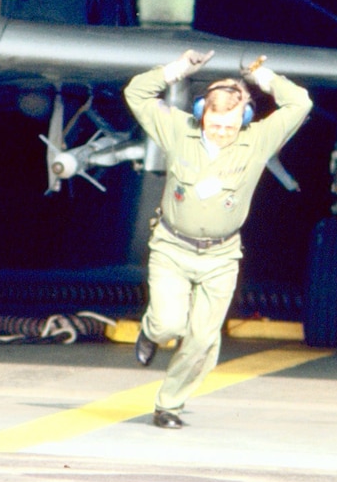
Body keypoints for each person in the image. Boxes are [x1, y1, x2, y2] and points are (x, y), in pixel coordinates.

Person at [124, 49, 312, 428]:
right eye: (215, 124)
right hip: (172, 248)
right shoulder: (180, 130)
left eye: (230, 126)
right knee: (168, 325)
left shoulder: (257, 140)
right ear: (201, 114)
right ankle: (150, 331)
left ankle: (169, 405)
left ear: (243, 120)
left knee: (202, 338)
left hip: (221, 257)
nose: (222, 133)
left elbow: (300, 102)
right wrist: (177, 69)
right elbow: (137, 93)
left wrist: (262, 76)